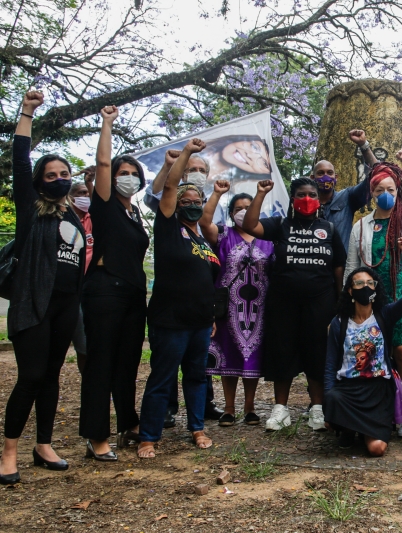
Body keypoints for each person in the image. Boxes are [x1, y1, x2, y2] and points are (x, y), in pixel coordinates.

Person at [2, 91, 86, 484]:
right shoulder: (30, 208)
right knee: (31, 375)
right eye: (51, 176)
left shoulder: (73, 211)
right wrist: (27, 113)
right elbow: (20, 160)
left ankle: (44, 445)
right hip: (32, 303)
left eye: (63, 175)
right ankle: (9, 451)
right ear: (39, 182)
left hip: (66, 306)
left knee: (52, 375)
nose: (59, 180)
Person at [137, 138, 220, 459]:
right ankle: (149, 436)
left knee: (197, 377)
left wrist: (211, 317)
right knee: (163, 377)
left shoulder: (201, 235)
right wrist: (186, 155)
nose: (191, 202)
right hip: (170, 321)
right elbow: (169, 189)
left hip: (200, 322)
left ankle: (197, 428)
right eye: (186, 199)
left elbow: (206, 281)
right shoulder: (169, 226)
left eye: (196, 199)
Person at [242, 177, 346, 432]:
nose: (307, 199)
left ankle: (318, 409)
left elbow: (339, 266)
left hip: (321, 302)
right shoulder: (280, 225)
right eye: (301, 194)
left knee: (317, 353)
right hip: (283, 301)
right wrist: (260, 194)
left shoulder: (329, 229)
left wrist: (340, 298)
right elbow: (249, 225)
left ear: (318, 199)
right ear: (292, 199)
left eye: (312, 194)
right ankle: (281, 410)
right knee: (282, 351)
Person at [80, 106, 151, 461]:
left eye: (134, 173)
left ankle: (128, 423)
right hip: (106, 290)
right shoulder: (104, 202)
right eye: (124, 172)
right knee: (101, 363)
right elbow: (103, 164)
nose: (128, 177)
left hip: (134, 294)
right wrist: (107, 124)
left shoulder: (134, 212)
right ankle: (96, 437)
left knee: (127, 362)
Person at [344, 150, 402, 437]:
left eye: (390, 189)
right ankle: (378, 407)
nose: (385, 194)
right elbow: (352, 265)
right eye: (379, 189)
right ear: (371, 194)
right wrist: (348, 297)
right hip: (372, 296)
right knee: (373, 353)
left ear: (398, 191)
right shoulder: (361, 225)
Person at [324, 237, 402, 456]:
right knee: (332, 399)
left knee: (377, 449)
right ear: (350, 290)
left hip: (378, 390)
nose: (365, 287)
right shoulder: (339, 323)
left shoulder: (384, 315)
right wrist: (329, 408)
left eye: (370, 283)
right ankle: (346, 427)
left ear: (376, 288)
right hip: (348, 389)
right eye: (359, 283)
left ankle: (356, 428)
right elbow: (330, 363)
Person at [200, 181, 275, 427]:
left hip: (259, 310)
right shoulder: (223, 234)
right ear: (231, 213)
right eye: (238, 208)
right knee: (228, 356)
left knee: (251, 357)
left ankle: (250, 407)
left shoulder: (268, 240)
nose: (243, 211)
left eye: (248, 207)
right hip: (228, 309)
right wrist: (217, 193)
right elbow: (203, 222)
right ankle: (229, 409)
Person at [315, 129, 380, 249]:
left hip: (340, 265)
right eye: (320, 173)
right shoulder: (304, 202)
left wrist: (364, 145)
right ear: (312, 177)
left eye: (330, 173)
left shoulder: (346, 197)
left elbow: (377, 175)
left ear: (336, 177)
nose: (325, 177)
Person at [68, 168, 95, 374]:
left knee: (89, 342)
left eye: (87, 194)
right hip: (69, 287)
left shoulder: (92, 218)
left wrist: (90, 183)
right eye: (80, 194)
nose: (85, 197)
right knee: (80, 342)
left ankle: (91, 381)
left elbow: (99, 203)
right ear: (70, 197)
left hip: (90, 285)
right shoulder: (66, 219)